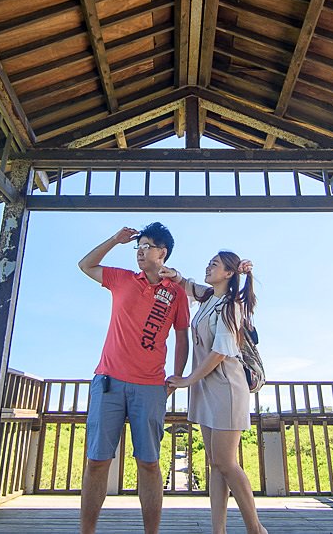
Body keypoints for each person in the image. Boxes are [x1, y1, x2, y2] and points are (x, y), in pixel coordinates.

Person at [77, 222, 190, 534]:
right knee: (97, 461)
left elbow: (182, 336)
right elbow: (86, 265)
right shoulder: (122, 278)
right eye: (137, 247)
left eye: (146, 246)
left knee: (149, 463)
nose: (139, 252)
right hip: (108, 381)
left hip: (151, 387)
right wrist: (115, 239)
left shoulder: (176, 292)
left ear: (162, 252)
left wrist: (177, 377)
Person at [162, 252, 268, 534]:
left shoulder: (231, 306)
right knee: (216, 463)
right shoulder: (209, 297)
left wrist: (187, 380)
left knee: (226, 462)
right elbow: (186, 284)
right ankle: (218, 530)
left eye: (214, 264)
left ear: (229, 273)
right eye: (209, 263)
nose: (208, 267)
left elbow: (220, 352)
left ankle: (256, 529)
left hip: (226, 388)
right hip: (208, 388)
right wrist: (171, 273)